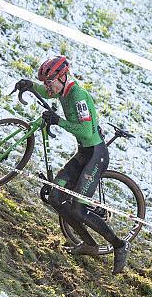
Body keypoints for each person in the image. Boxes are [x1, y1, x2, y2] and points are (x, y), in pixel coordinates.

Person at [15, 56, 130, 275]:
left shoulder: (78, 96)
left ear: (63, 76)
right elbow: (47, 90)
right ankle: (89, 245)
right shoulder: (62, 90)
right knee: (55, 197)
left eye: (50, 82)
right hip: (83, 153)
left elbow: (86, 131)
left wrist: (59, 121)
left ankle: (119, 245)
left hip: (96, 155)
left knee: (78, 207)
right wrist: (31, 86)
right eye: (46, 83)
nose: (48, 87)